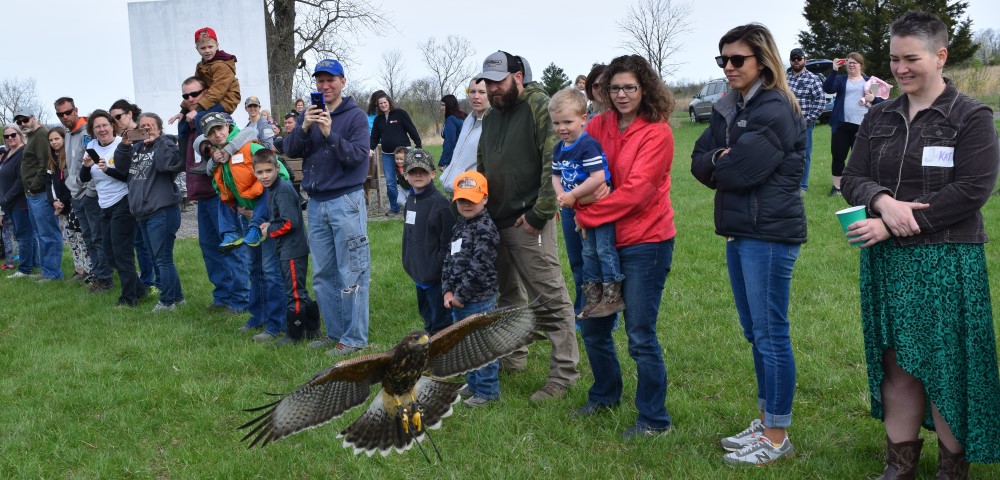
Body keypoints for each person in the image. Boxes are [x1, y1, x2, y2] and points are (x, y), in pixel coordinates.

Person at [841, 10, 1000, 478]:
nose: (901, 69)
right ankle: (899, 467)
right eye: (894, 59)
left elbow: (972, 190)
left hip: (947, 257)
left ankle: (952, 470)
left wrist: (892, 222)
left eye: (911, 58)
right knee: (897, 362)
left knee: (947, 363)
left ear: (940, 56)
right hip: (888, 262)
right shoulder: (880, 116)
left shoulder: (970, 117)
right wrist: (880, 200)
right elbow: (853, 177)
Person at [690, 24, 806, 465]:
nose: (728, 67)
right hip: (742, 233)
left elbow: (738, 173)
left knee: (771, 335)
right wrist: (722, 158)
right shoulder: (729, 105)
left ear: (763, 59)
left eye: (737, 59)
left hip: (769, 235)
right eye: (723, 60)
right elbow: (699, 161)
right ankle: (765, 421)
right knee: (755, 333)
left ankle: (776, 436)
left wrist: (722, 160)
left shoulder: (776, 107)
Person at [572, 54, 676, 439]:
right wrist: (580, 194)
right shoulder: (597, 125)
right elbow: (576, 170)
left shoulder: (657, 132)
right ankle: (604, 395)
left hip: (644, 242)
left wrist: (585, 210)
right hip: (600, 245)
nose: (621, 94)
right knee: (594, 326)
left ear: (644, 88)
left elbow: (637, 192)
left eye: (629, 87)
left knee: (640, 333)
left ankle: (653, 419)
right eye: (614, 88)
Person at [474, 50, 579, 402]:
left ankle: (564, 374)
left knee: (550, 298)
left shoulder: (539, 105)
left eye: (498, 81)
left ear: (518, 76)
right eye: (487, 82)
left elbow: (555, 161)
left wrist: (540, 213)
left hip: (528, 221)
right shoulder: (491, 116)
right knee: (507, 297)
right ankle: (513, 358)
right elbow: (482, 165)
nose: (492, 88)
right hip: (495, 220)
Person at [283, 59, 371, 357]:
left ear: (343, 82)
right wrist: (305, 127)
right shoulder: (309, 115)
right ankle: (335, 333)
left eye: (330, 80)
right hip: (317, 202)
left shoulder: (355, 117)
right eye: (320, 81)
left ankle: (355, 337)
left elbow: (359, 157)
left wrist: (331, 133)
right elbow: (290, 151)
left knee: (352, 271)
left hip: (345, 200)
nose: (325, 86)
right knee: (323, 273)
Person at [201, 112, 288, 341]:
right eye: (212, 132)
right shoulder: (221, 157)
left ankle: (277, 324)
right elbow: (223, 188)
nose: (217, 134)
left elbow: (283, 176)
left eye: (220, 128)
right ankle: (258, 316)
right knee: (255, 269)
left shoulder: (249, 148)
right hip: (246, 219)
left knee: (270, 271)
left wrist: (270, 213)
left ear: (228, 127)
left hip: (268, 220)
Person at [548, 87, 623, 319]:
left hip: (598, 207)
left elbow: (598, 178)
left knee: (603, 248)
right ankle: (591, 299)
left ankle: (612, 294)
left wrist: (573, 196)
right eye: (556, 123)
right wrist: (561, 195)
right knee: (588, 253)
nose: (561, 128)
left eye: (567, 122)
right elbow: (555, 176)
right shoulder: (559, 148)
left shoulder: (587, 145)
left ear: (583, 119)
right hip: (577, 207)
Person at [180, 77, 250, 314]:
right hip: (202, 193)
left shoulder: (219, 117)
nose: (190, 99)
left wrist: (215, 148)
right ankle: (222, 295)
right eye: (185, 96)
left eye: (194, 94)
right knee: (209, 247)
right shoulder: (188, 123)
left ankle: (240, 299)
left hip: (223, 195)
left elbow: (244, 134)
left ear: (206, 93)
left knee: (232, 246)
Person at [116, 112, 186, 312]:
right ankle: (177, 298)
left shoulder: (167, 145)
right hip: (142, 212)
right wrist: (124, 145)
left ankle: (167, 301)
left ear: (159, 128)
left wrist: (159, 141)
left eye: (151, 126)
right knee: (160, 258)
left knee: (162, 258)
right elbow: (122, 169)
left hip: (162, 210)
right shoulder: (136, 148)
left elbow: (167, 166)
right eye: (142, 126)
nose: (146, 129)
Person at [442, 170, 500, 407]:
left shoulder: (486, 229)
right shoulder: (460, 226)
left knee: (482, 346)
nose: (466, 205)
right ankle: (473, 384)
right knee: (466, 344)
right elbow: (448, 259)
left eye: (472, 200)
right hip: (456, 298)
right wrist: (446, 290)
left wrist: (461, 296)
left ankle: (487, 391)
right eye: (462, 200)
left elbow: (479, 267)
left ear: (484, 199)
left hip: (478, 299)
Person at [253, 148, 319, 346]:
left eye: (268, 171)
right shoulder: (273, 188)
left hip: (292, 249)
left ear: (276, 168)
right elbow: (282, 217)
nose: (264, 176)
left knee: (294, 293)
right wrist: (270, 223)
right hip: (288, 248)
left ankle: (294, 335)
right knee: (300, 290)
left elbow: (290, 223)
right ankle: (313, 329)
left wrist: (270, 230)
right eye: (260, 172)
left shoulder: (281, 189)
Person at [81, 110, 143, 306]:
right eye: (97, 126)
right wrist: (86, 166)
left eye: (105, 125)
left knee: (121, 251)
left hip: (123, 202)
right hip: (104, 205)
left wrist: (107, 169)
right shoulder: (90, 146)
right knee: (108, 252)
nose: (102, 129)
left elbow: (127, 176)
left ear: (112, 126)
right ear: (92, 130)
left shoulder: (121, 145)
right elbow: (84, 179)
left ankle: (128, 298)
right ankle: (139, 289)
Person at [400, 148, 455, 336]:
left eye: (423, 171)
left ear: (432, 173)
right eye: (413, 171)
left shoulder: (440, 205)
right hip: (418, 275)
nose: (418, 175)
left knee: (442, 325)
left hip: (436, 279)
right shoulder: (411, 200)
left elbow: (448, 245)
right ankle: (431, 350)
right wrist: (409, 262)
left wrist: (434, 269)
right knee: (427, 318)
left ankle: (445, 360)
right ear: (405, 174)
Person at [54, 97, 107, 286]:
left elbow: (98, 161)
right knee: (87, 238)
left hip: (89, 194)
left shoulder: (88, 132)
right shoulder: (68, 134)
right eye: (60, 114)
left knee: (97, 237)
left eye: (68, 112)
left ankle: (104, 276)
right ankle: (96, 273)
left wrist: (90, 190)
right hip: (75, 194)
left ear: (75, 110)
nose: (65, 116)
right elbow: (70, 166)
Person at [169, 27, 242, 160]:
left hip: (226, 100)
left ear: (217, 45)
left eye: (210, 46)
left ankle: (209, 155)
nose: (207, 50)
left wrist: (197, 110)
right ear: (197, 49)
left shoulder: (223, 65)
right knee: (183, 122)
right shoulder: (201, 66)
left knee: (200, 118)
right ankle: (183, 159)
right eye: (203, 48)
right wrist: (183, 110)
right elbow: (196, 87)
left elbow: (217, 91)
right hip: (211, 100)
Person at [110, 99, 157, 292]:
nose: (116, 121)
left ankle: (155, 282)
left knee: (150, 243)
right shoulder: (123, 138)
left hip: (150, 195)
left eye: (118, 117)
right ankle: (146, 281)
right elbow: (123, 169)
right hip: (131, 197)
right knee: (138, 242)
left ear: (130, 113)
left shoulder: (144, 132)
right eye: (112, 119)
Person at [14, 109, 63, 283]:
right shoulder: (33, 136)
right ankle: (46, 270)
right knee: (40, 233)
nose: (22, 124)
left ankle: (53, 273)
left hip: (40, 193)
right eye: (19, 122)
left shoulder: (42, 134)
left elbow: (45, 165)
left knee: (48, 233)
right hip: (32, 194)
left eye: (25, 119)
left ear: (34, 118)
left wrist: (34, 187)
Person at [824, 51, 878, 196]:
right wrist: (834, 70)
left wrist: (873, 98)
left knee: (861, 158)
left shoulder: (870, 81)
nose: (851, 65)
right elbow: (828, 88)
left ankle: (860, 185)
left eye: (854, 62)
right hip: (841, 125)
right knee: (838, 156)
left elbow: (878, 101)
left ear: (861, 65)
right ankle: (837, 187)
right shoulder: (840, 80)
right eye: (848, 62)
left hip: (862, 126)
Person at [47, 127, 90, 281]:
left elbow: (69, 182)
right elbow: (50, 183)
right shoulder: (52, 159)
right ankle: (78, 269)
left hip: (71, 202)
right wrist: (54, 202)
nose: (54, 142)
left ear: (64, 139)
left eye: (57, 138)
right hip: (59, 206)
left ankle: (88, 270)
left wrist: (63, 201)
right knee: (70, 238)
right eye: (51, 140)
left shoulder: (69, 158)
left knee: (80, 237)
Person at [369, 92, 422, 216]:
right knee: (390, 182)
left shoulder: (400, 114)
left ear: (389, 102)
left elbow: (411, 129)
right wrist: (371, 148)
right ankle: (394, 207)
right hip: (387, 154)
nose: (383, 105)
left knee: (409, 179)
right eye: (380, 103)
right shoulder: (378, 119)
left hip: (405, 153)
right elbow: (374, 137)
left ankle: (416, 204)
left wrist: (418, 144)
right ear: (378, 105)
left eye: (385, 102)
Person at [440, 78, 489, 195]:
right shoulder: (468, 119)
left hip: (473, 192)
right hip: (457, 189)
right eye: (472, 92)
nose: (476, 96)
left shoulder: (494, 123)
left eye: (482, 92)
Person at [786, 48, 825, 194]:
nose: (796, 61)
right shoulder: (784, 78)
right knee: (786, 154)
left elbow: (820, 100)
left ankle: (802, 185)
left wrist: (808, 119)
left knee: (804, 154)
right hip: (785, 123)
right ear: (790, 60)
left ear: (805, 60)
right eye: (793, 58)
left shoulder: (812, 79)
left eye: (799, 58)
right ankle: (788, 183)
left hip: (804, 124)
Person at [1, 125, 34, 278]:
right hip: (10, 203)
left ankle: (25, 269)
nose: (10, 138)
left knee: (24, 235)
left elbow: (21, 180)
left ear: (20, 134)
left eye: (13, 134)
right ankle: (33, 264)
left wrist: (7, 197)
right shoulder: (9, 152)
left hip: (20, 202)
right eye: (6, 136)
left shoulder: (23, 152)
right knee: (23, 234)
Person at [438, 95, 466, 168]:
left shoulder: (451, 120)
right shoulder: (464, 116)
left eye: (443, 105)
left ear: (450, 105)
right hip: (466, 157)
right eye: (441, 105)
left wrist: (443, 162)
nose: (441, 108)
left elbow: (450, 142)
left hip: (455, 160)